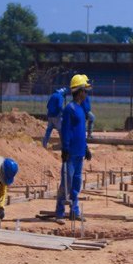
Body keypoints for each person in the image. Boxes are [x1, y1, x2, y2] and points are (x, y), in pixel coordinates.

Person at [55, 74, 93, 222]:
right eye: (85, 90)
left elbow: (80, 132)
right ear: (79, 91)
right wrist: (65, 149)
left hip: (79, 153)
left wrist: (86, 147)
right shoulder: (69, 109)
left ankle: (75, 211)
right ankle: (59, 213)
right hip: (70, 153)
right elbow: (66, 130)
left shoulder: (81, 109)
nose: (86, 93)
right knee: (66, 182)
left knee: (76, 183)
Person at [82, 75, 95, 139]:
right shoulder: (82, 91)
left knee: (90, 119)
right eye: (86, 81)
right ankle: (88, 135)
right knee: (91, 118)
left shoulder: (85, 91)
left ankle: (88, 135)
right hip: (84, 110)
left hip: (86, 110)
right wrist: (86, 111)